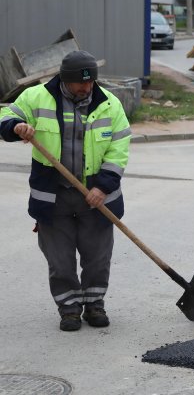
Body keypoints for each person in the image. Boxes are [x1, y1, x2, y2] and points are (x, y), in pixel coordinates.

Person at [0, 51, 131, 332]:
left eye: (91, 81)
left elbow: (119, 148)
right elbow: (5, 114)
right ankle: (69, 308)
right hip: (53, 196)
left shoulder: (110, 104)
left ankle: (95, 305)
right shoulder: (36, 97)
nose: (87, 87)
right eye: (81, 83)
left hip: (95, 196)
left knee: (98, 258)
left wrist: (102, 187)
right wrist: (15, 126)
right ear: (64, 79)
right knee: (59, 261)